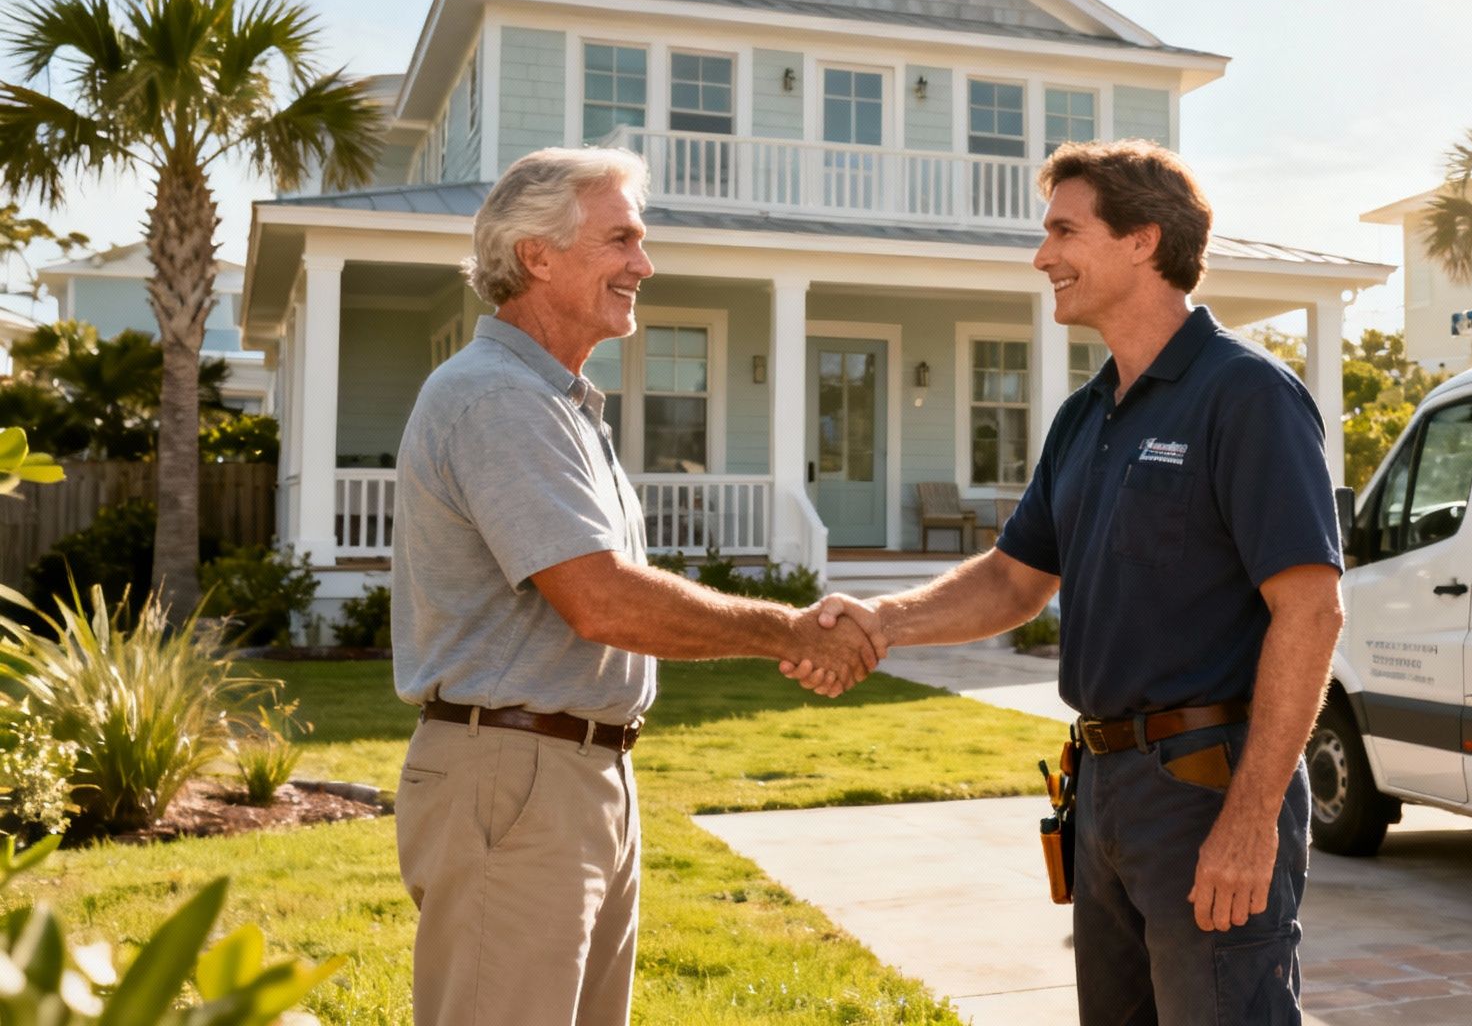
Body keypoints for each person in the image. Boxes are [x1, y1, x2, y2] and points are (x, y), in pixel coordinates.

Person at [799, 139, 1344, 1024]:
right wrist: (883, 619)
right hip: (1103, 789)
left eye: (1063, 229)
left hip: (1208, 787)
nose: (1043, 254)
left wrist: (1249, 822)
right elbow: (1014, 581)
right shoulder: (1086, 414)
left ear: (1143, 239)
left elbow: (1311, 611)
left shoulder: (1245, 395)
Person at [391, 146, 883, 1026]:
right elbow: (602, 600)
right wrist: (791, 633)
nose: (643, 265)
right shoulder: (498, 399)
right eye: (621, 239)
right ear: (536, 255)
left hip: (577, 772)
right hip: (519, 775)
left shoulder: (557, 404)